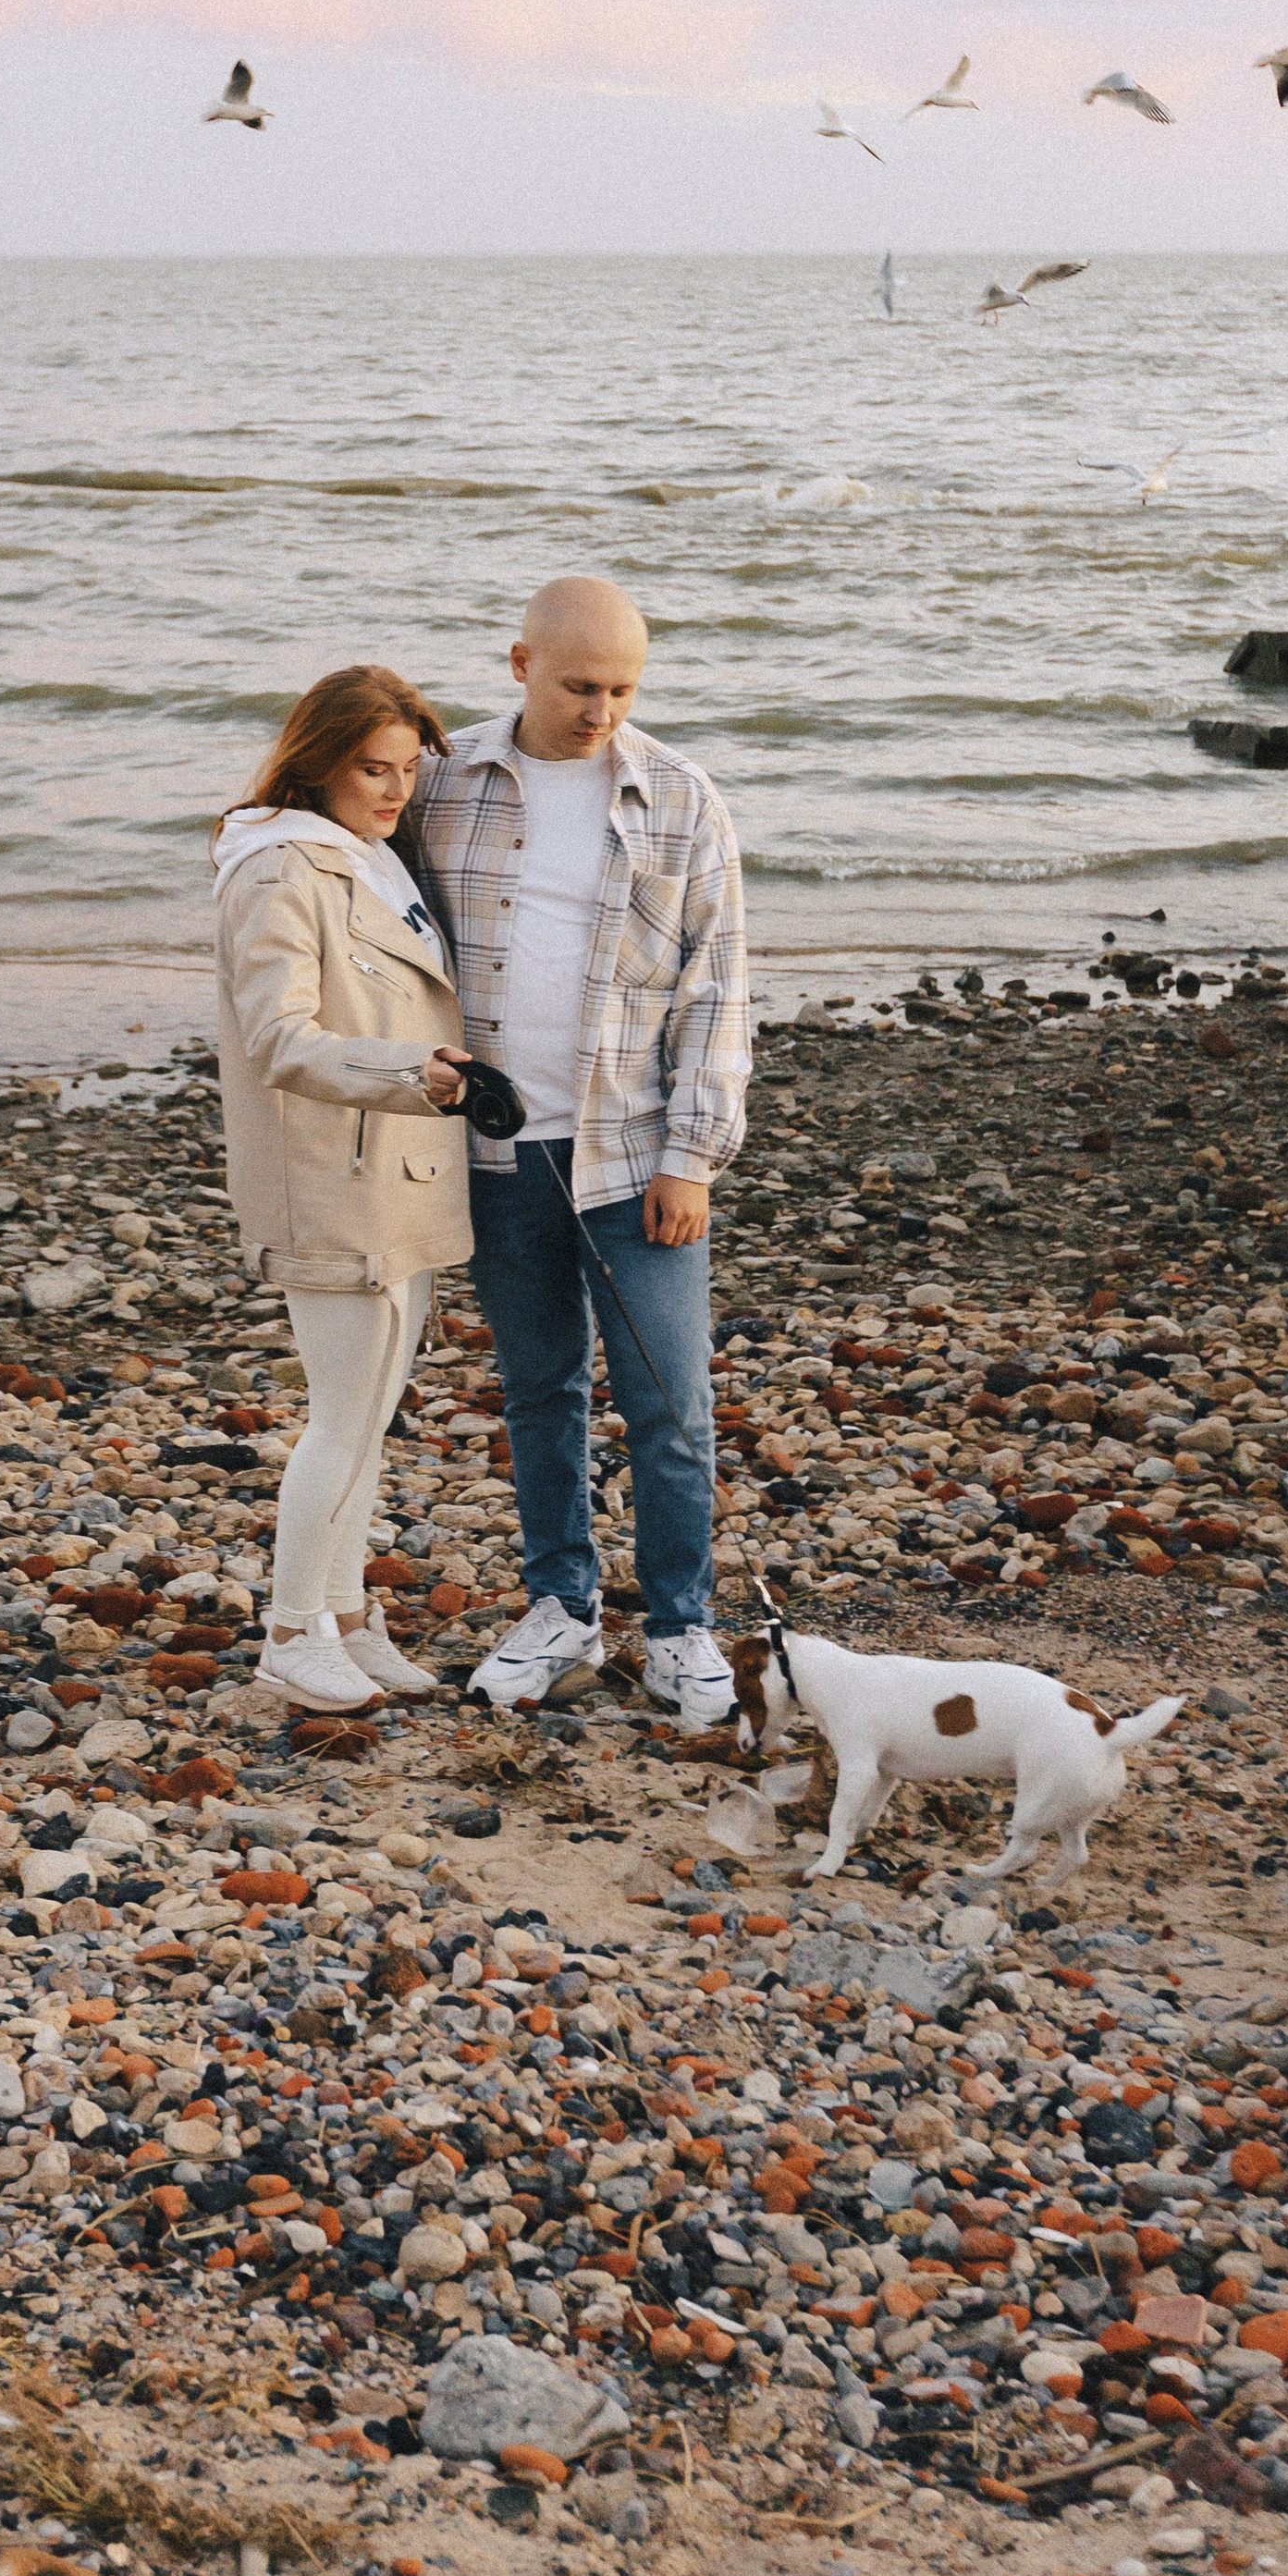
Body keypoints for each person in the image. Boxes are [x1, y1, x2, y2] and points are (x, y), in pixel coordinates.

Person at [413, 575, 749, 1733]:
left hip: (635, 1154)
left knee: (672, 1401)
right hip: (499, 1157)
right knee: (539, 1389)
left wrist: (693, 1156)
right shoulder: (439, 778)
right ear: (518, 663)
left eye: (621, 688)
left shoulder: (680, 796)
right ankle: (559, 1605)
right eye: (577, 685)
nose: (600, 709)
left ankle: (678, 1629)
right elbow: (343, 877)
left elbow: (717, 989)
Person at [213, 664, 474, 1713]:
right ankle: (288, 1630)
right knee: (341, 1416)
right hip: (331, 1174)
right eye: (374, 767)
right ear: (317, 758)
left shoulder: (370, 861)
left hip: (396, 1171)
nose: (395, 789)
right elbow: (278, 1037)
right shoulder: (281, 870)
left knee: (371, 1413)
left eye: (409, 769)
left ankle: (347, 1617)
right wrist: (411, 1074)